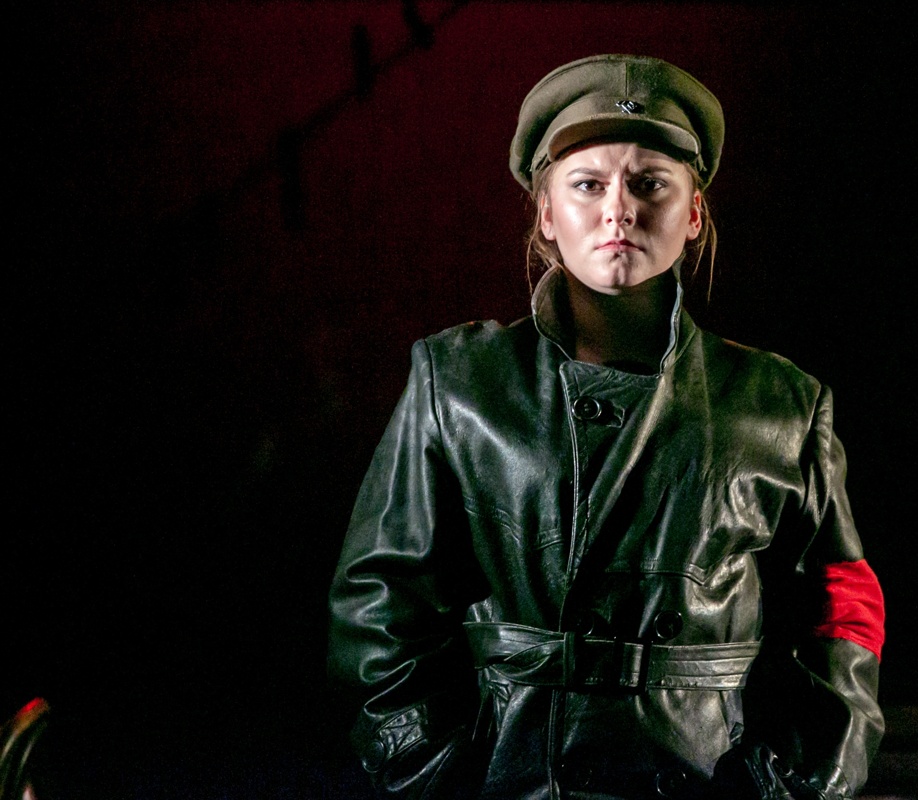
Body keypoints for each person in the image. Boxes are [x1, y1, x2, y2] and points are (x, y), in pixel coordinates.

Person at [328, 54, 885, 800]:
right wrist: (433, 774)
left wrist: (798, 780)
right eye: (588, 184)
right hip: (516, 778)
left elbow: (843, 604)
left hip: (708, 781)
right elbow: (377, 602)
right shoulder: (460, 384)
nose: (618, 209)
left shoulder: (780, 402)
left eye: (649, 183)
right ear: (546, 215)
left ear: (694, 213)